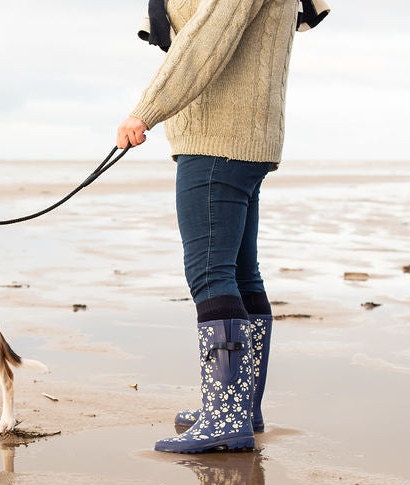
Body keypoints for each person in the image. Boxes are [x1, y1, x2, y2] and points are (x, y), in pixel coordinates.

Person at [117, 0, 327, 454]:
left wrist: (146, 110)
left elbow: (207, 38)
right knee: (238, 272)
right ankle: (239, 406)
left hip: (218, 138)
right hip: (246, 138)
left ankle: (226, 416)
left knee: (209, 272)